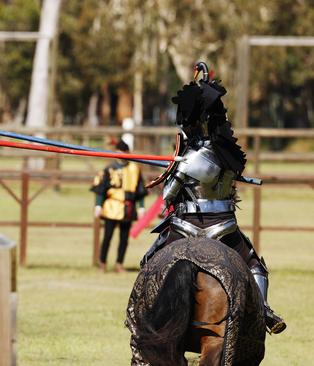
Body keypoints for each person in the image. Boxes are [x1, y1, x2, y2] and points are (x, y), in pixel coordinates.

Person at [141, 62, 286, 334]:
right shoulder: (229, 154)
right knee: (255, 265)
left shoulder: (190, 158)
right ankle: (264, 310)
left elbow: (167, 197)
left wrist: (175, 169)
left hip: (186, 228)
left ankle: (145, 316)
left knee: (150, 262)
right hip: (224, 227)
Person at [91, 140, 147, 273]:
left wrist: (141, 207)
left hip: (128, 207)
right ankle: (102, 263)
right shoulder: (109, 168)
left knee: (124, 238)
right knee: (107, 237)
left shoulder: (135, 169)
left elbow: (140, 189)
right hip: (112, 206)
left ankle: (119, 263)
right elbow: (102, 188)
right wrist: (98, 205)